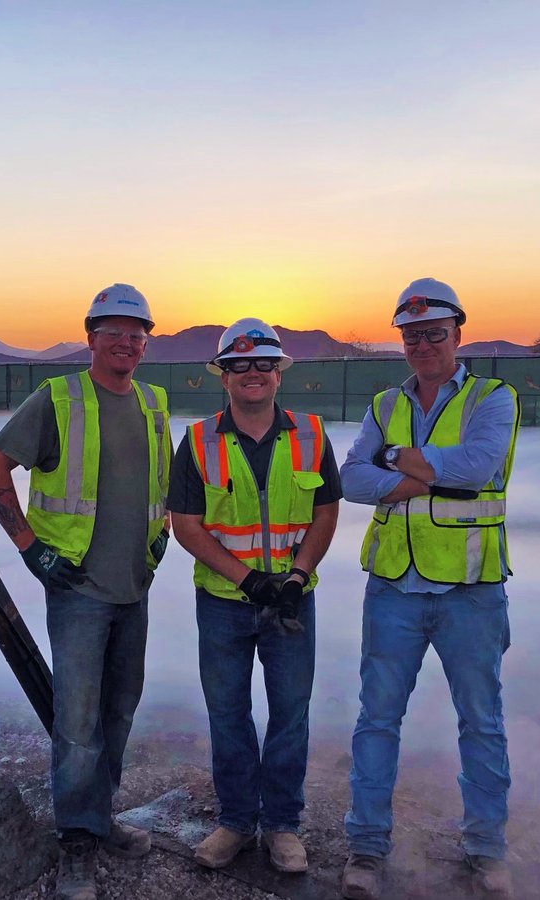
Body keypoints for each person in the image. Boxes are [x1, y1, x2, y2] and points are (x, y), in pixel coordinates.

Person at [0, 283, 172, 900]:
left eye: (137, 332)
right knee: (79, 723)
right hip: (80, 589)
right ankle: (76, 846)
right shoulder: (59, 397)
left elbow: (158, 484)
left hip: (133, 587)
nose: (127, 341)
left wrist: (159, 535)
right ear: (91, 337)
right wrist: (30, 546)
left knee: (118, 711)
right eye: (113, 330)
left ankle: (101, 817)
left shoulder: (154, 402)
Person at [338, 278, 520, 900]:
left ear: (457, 334)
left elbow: (478, 470)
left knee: (481, 722)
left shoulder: (494, 398)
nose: (421, 344)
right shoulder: (386, 403)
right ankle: (365, 849)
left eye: (433, 333)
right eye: (411, 335)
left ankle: (486, 851)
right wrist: (417, 470)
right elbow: (351, 479)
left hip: (471, 589)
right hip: (393, 585)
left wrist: (395, 460)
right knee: (377, 720)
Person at [169, 318, 341, 874]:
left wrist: (295, 579)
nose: (252, 374)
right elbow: (186, 525)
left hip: (291, 604)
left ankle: (284, 826)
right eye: (239, 365)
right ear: (223, 375)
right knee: (228, 713)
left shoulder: (312, 434)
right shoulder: (198, 441)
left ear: (278, 372)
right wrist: (249, 581)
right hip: (223, 603)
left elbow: (325, 512)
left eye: (263, 363)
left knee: (291, 713)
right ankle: (237, 821)